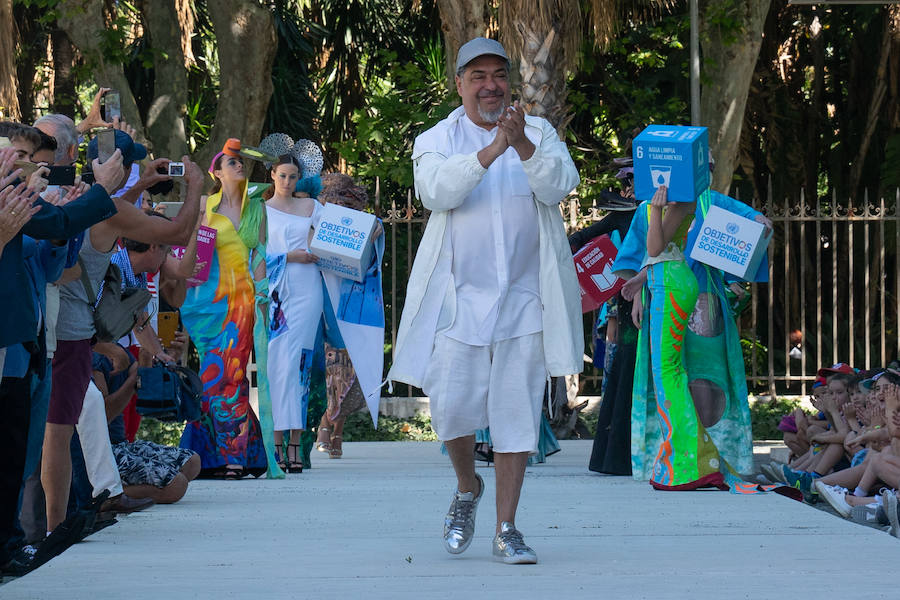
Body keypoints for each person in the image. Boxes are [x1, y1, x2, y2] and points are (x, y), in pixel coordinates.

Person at [387, 38, 582, 564]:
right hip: (458, 304)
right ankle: (467, 486)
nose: (490, 85)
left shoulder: (538, 133)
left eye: (499, 75)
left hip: (524, 301)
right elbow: (435, 192)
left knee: (516, 414)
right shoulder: (435, 139)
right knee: (450, 412)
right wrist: (492, 149)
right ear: (459, 83)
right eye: (478, 76)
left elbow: (561, 184)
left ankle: (507, 528)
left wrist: (520, 146)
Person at [179, 139, 280, 480]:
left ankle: (231, 456)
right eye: (231, 162)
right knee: (215, 376)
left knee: (232, 376)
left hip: (243, 303)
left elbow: (260, 256)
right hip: (208, 303)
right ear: (216, 173)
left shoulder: (258, 208)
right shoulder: (206, 205)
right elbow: (192, 251)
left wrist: (264, 297)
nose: (239, 166)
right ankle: (224, 455)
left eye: (240, 162)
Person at [265, 154, 323, 472]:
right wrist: (289, 256)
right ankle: (275, 443)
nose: (287, 182)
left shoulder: (311, 207)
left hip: (306, 290)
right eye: (283, 175)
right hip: (275, 291)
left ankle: (296, 444)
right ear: (272, 175)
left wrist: (373, 230)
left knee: (299, 362)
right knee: (276, 364)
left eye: (293, 176)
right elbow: (253, 253)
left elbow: (343, 233)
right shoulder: (260, 211)